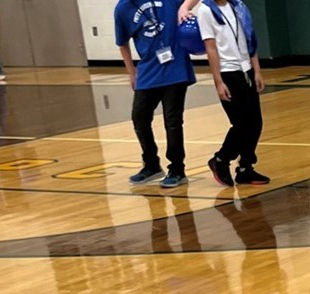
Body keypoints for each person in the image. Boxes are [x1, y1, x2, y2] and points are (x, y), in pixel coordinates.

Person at [181, 0, 268, 187]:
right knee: (241, 123)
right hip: (228, 73)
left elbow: (249, 39)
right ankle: (221, 159)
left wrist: (257, 70)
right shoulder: (205, 10)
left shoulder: (238, 6)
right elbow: (211, 48)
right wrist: (219, 82)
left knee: (255, 122)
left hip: (246, 69)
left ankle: (245, 167)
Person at [114, 0, 195, 189]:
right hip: (148, 71)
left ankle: (177, 169)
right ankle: (151, 164)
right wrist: (132, 73)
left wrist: (185, 7)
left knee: (172, 121)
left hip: (176, 69)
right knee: (139, 118)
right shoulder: (122, 8)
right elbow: (122, 42)